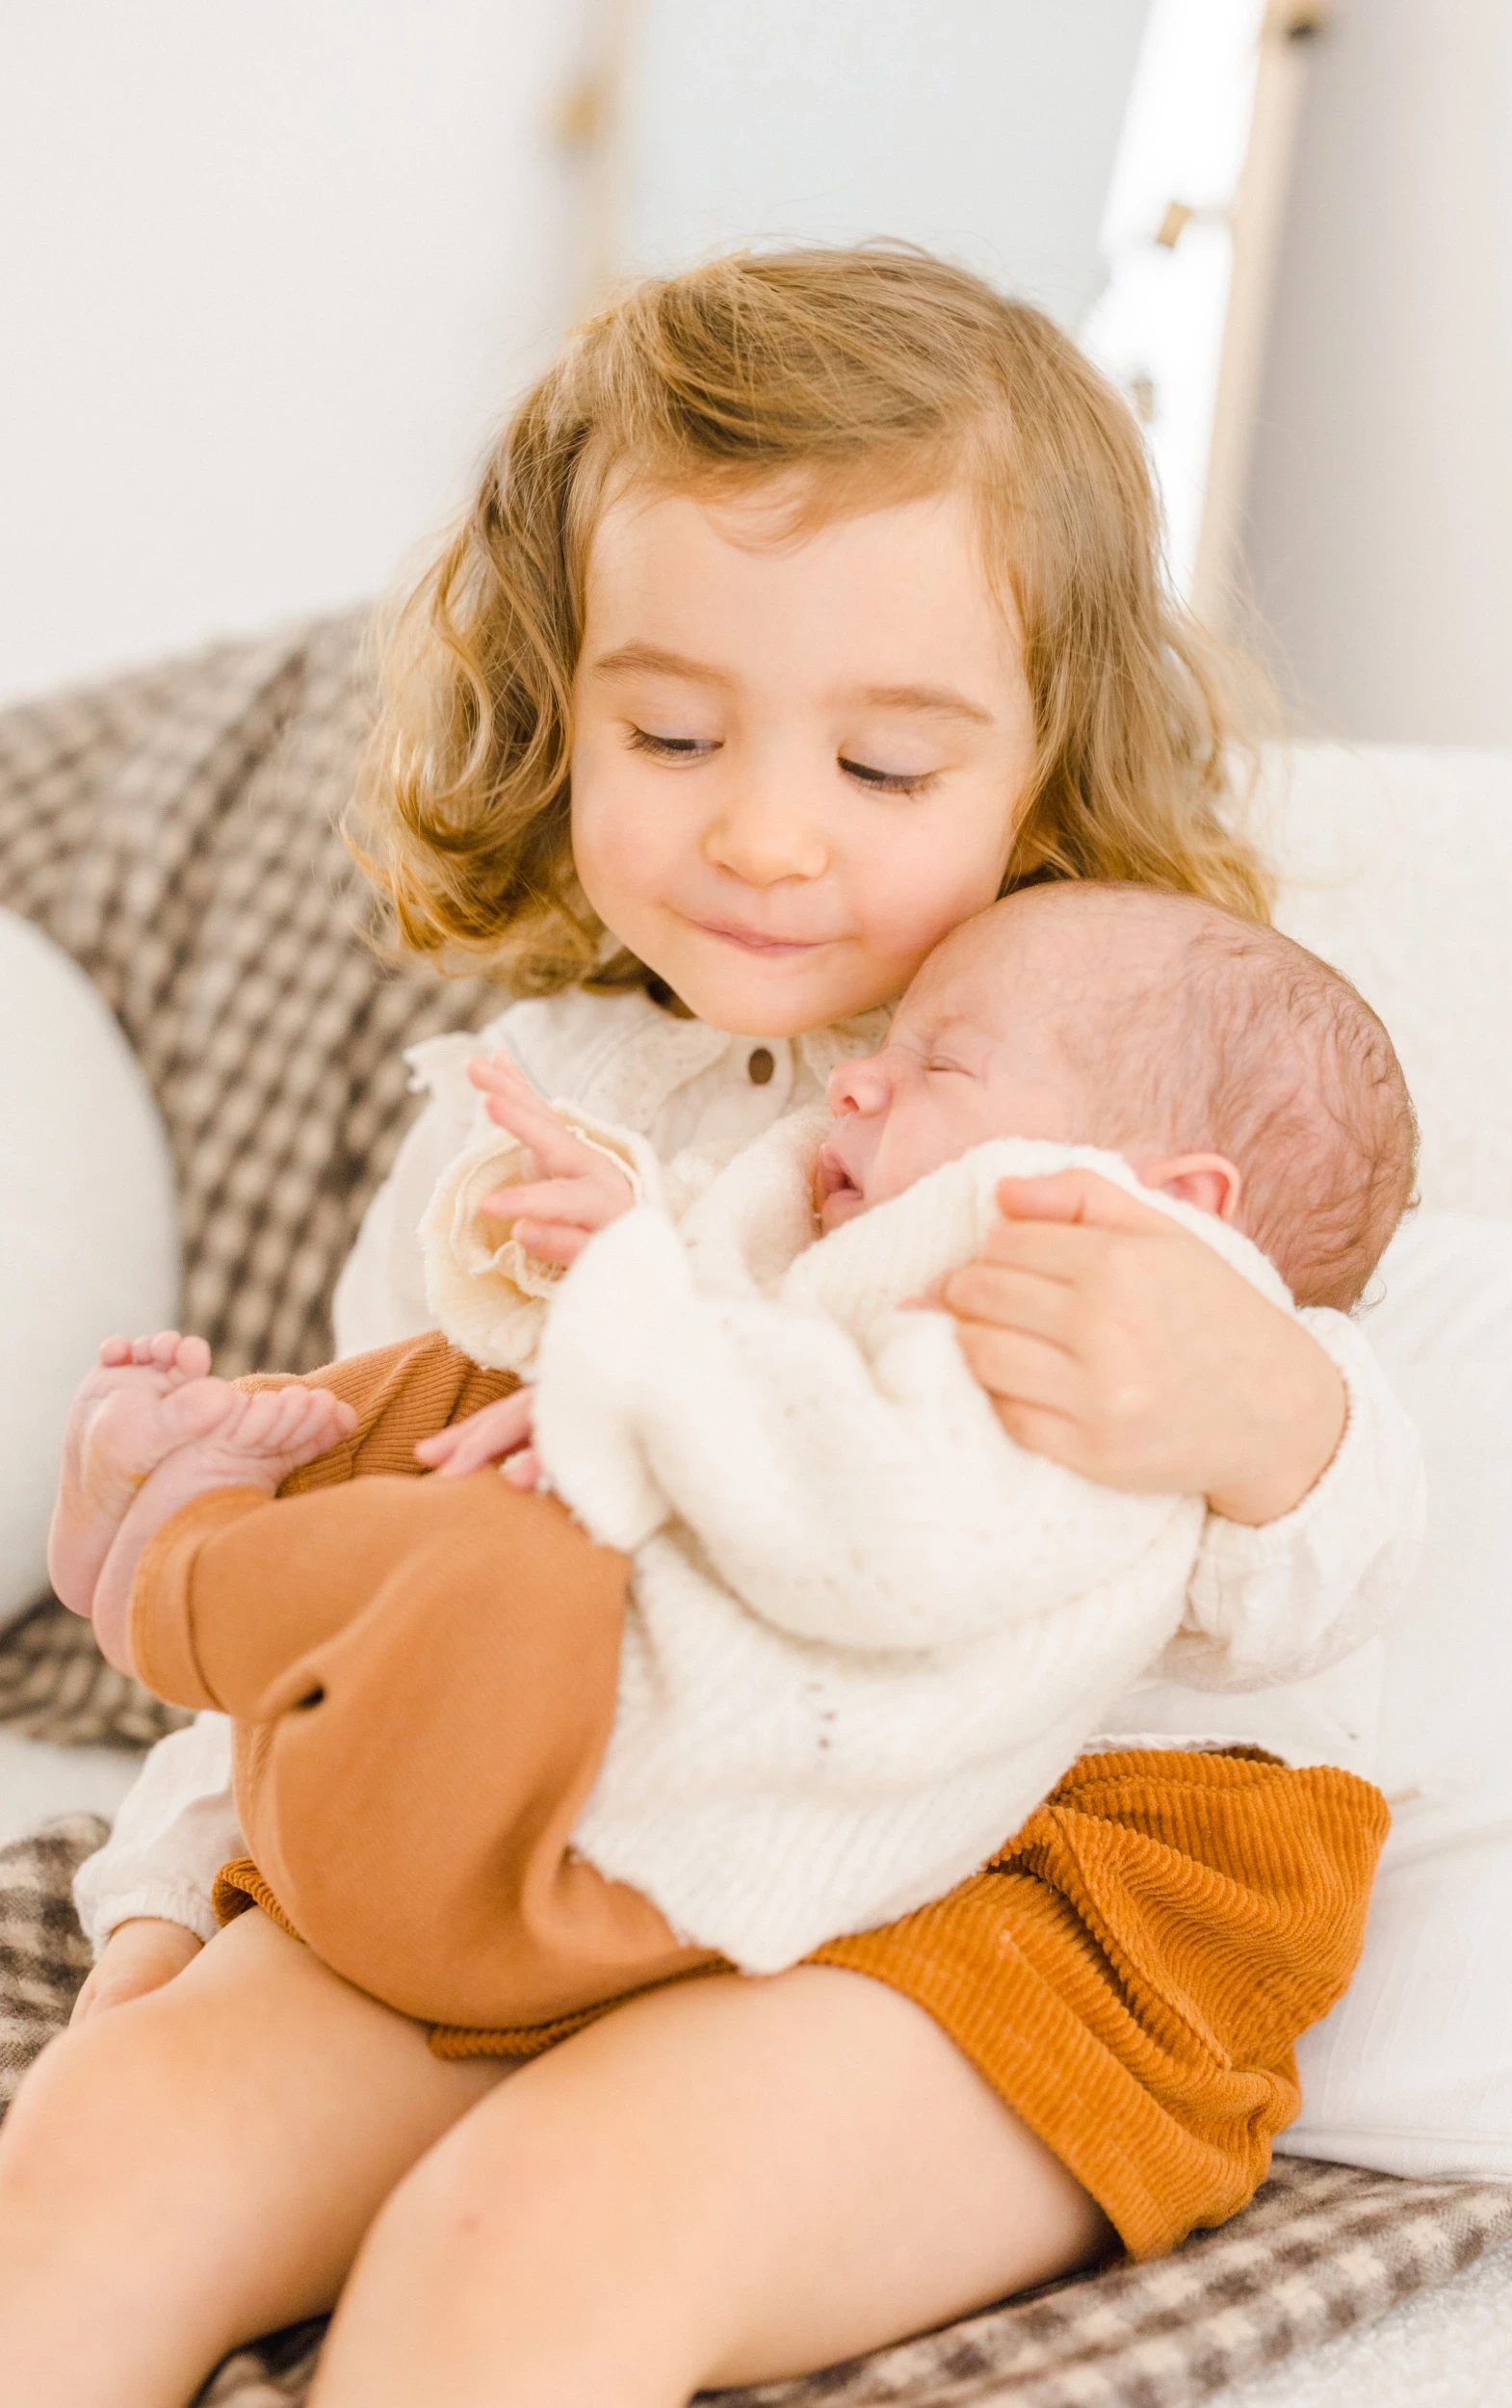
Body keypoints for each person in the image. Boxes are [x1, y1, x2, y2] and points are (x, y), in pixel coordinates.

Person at [0, 248, 1421, 2408]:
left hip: (1000, 1877)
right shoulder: (520, 1121)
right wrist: (175, 1894)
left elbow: (1320, 1582)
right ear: (558, 705)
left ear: (1047, 754)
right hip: (554, 1822)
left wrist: (1275, 1415)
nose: (761, 831)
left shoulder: (1120, 1100)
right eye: (671, 732)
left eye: (878, 761)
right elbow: (367, 1588)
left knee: (532, 2238)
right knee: (87, 2164)